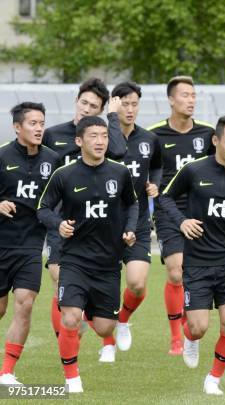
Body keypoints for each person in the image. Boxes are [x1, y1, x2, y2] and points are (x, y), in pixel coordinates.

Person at [37, 116, 138, 393]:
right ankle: (72, 379)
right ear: (79, 141)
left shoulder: (120, 173)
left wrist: (129, 229)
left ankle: (88, 313)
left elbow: (132, 205)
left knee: (106, 328)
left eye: (104, 136)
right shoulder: (64, 175)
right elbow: (43, 208)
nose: (100, 141)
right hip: (74, 260)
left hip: (108, 263)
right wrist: (58, 224)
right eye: (93, 136)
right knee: (70, 317)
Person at [160, 115, 225, 395]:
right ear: (216, 141)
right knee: (199, 327)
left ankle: (213, 379)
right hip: (198, 261)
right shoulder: (194, 170)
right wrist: (181, 221)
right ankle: (190, 337)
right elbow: (165, 198)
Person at [42, 78, 125, 339]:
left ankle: (83, 315)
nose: (86, 109)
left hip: (95, 224)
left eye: (94, 106)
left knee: (102, 324)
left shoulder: (100, 137)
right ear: (76, 101)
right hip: (61, 220)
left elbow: (120, 150)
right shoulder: (53, 134)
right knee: (58, 279)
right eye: (84, 102)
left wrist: (112, 117)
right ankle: (67, 339)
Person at [147, 76, 215, 355]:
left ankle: (191, 325)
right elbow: (144, 169)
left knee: (194, 271)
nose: (191, 100)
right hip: (168, 210)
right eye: (185, 95)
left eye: (193, 95)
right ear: (171, 100)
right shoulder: (154, 136)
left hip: (201, 212)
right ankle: (176, 336)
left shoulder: (208, 134)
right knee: (176, 271)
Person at [97, 81, 163, 362]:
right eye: (124, 103)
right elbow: (116, 151)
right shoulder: (101, 137)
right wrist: (110, 118)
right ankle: (108, 342)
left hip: (137, 221)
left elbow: (158, 164)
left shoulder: (149, 139)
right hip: (104, 222)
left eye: (135, 103)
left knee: (136, 283)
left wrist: (154, 184)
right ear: (114, 104)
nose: (130, 109)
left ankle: (123, 320)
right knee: (103, 288)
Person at [0, 103, 60, 385]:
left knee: (24, 305)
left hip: (31, 246)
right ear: (17, 127)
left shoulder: (53, 159)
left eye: (41, 123)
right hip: (1, 243)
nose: (38, 128)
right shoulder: (2, 156)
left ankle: (7, 373)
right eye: (32, 123)